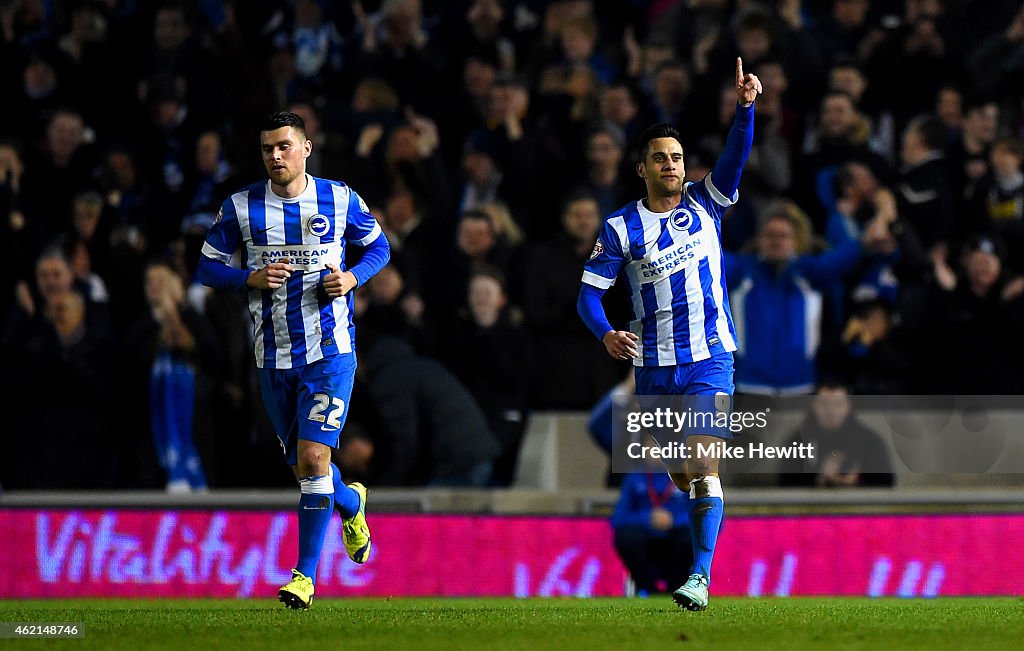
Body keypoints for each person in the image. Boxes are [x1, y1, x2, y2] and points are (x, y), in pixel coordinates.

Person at [577, 58, 762, 611]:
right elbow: (588, 294)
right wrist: (606, 333)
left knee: (704, 464)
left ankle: (699, 576)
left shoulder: (708, 202)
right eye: (660, 158)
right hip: (655, 368)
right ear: (642, 169)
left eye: (677, 158)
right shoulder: (619, 228)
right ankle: (699, 531)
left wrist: (745, 111)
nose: (671, 165)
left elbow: (735, 157)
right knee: (684, 474)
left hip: (711, 358)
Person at [197, 111, 390, 609]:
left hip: (330, 352)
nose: (275, 156)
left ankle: (303, 576)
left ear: (307, 147)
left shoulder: (340, 198)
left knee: (313, 458)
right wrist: (248, 279)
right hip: (273, 357)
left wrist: (350, 278)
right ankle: (352, 503)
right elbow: (205, 267)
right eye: (267, 149)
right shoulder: (241, 208)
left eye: (284, 146)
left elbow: (378, 248)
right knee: (309, 472)